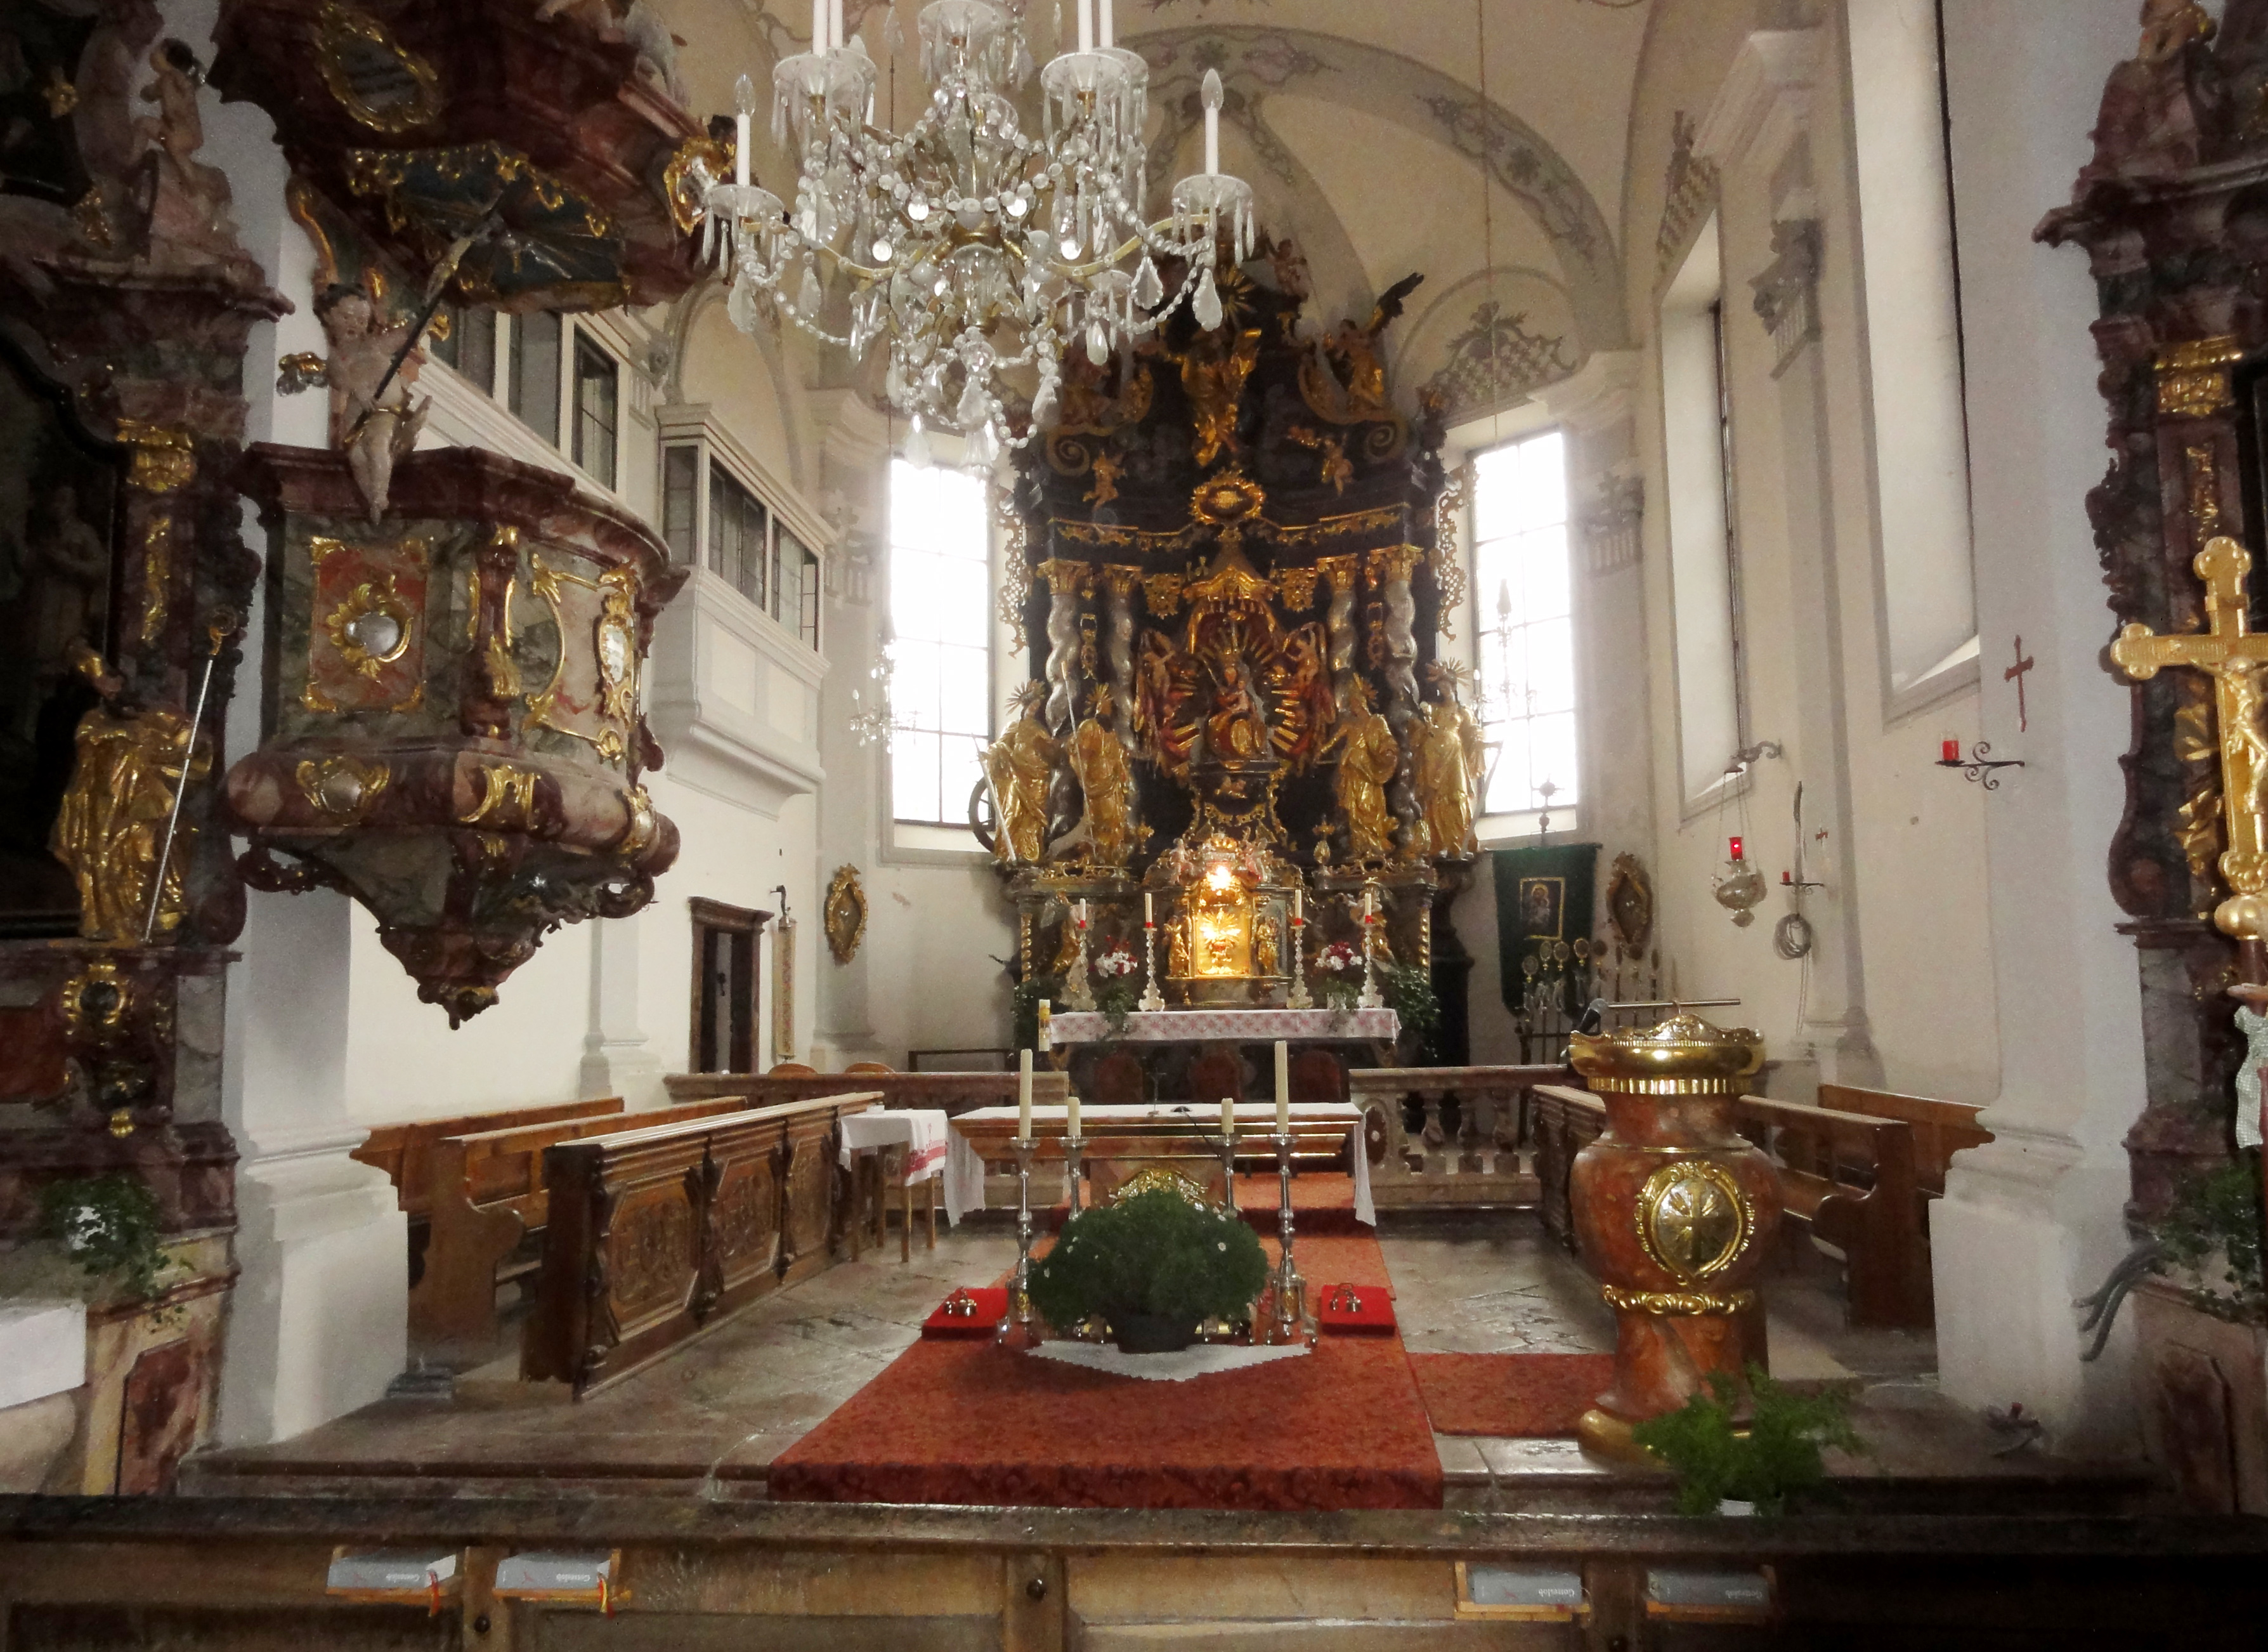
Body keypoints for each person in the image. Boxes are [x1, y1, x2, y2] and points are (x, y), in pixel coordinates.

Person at [315, 284, 431, 522]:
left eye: (361, 320)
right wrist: (358, 390)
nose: (354, 324)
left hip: (385, 410)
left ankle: (380, 497)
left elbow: (407, 336)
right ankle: (372, 503)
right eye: (346, 317)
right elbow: (339, 378)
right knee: (356, 456)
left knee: (378, 446)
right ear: (328, 317)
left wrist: (424, 317)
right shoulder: (337, 358)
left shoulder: (375, 345)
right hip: (357, 414)